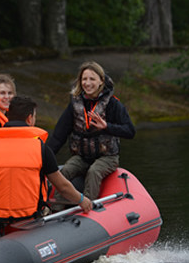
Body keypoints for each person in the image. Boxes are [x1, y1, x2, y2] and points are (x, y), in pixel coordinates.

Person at [0, 96, 93, 224]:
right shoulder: (40, 148)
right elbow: (62, 186)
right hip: (27, 218)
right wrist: (82, 200)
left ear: (8, 116)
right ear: (30, 118)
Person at [47, 60, 135, 202]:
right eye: (84, 79)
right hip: (82, 157)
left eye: (92, 79)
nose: (87, 83)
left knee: (94, 171)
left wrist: (107, 126)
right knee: (65, 171)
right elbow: (59, 136)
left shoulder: (113, 104)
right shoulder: (75, 104)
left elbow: (130, 131)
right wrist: (44, 158)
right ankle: (57, 207)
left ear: (101, 81)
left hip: (107, 157)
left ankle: (88, 205)